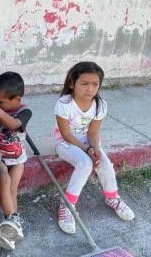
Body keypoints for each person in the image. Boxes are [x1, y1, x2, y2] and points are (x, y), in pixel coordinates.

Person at [53, 61, 135, 235]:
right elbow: (66, 134)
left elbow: (93, 133)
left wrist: (95, 150)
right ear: (71, 84)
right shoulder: (64, 104)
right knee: (85, 163)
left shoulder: (100, 105)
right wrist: (86, 150)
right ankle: (67, 204)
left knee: (104, 163)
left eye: (95, 84)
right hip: (66, 143)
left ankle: (113, 198)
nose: (90, 89)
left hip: (88, 141)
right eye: (84, 84)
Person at [0, 72, 32, 251]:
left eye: (1, 101)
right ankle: (12, 222)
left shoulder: (24, 111)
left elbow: (13, 124)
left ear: (16, 99)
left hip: (17, 159)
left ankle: (11, 225)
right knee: (4, 180)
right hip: (0, 156)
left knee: (13, 188)